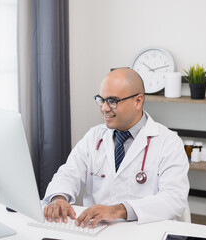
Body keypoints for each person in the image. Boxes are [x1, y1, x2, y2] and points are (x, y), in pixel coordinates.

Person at [42, 68, 189, 228]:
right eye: (101, 100)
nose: (104, 108)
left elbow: (174, 199)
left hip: (143, 231)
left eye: (112, 101)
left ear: (138, 101)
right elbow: (68, 173)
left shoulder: (168, 142)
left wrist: (119, 210)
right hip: (94, 230)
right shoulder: (94, 136)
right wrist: (58, 197)